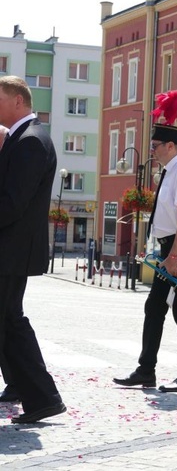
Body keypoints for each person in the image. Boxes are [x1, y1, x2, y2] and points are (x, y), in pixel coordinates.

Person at [114, 91, 177, 393]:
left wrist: (175, 254)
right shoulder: (170, 170)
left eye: (155, 146)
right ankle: (148, 369)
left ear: (170, 145)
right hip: (167, 248)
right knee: (157, 309)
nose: (151, 150)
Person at [0, 75, 67, 423]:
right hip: (11, 251)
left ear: (17, 101)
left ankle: (42, 397)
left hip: (10, 252)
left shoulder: (30, 141)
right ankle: (35, 394)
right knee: (10, 321)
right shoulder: (23, 138)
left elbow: (11, 203)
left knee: (11, 321)